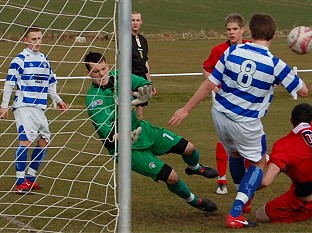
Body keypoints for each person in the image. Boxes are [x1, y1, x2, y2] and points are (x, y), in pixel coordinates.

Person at [169, 13, 308, 228]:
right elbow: (303, 91)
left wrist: (186, 109)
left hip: (220, 113)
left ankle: (244, 201)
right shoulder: (275, 64)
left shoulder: (232, 51)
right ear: (273, 34)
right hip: (245, 122)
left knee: (234, 153)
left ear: (249, 32)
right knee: (259, 164)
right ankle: (236, 212)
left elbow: (209, 84)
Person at [84, 51, 218, 213]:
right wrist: (124, 137)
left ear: (108, 65)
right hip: (126, 147)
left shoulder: (119, 76)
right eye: (96, 72)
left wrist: (145, 91)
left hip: (143, 130)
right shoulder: (94, 99)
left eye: (104, 69)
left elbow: (143, 84)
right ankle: (196, 201)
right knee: (172, 176)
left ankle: (195, 168)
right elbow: (108, 131)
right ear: (88, 73)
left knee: (189, 148)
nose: (102, 74)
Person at [255, 84, 312, 223]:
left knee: (261, 215)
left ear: (291, 121)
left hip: (307, 194)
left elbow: (266, 181)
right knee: (287, 164)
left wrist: (246, 190)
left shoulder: (283, 144)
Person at [0, 26, 68, 194]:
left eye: (39, 39)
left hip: (39, 108)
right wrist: (4, 105)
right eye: (34, 39)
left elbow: (50, 84)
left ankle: (30, 179)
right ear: (26, 40)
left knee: (44, 142)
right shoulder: (19, 59)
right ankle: (20, 182)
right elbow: (9, 83)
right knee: (26, 142)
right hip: (24, 107)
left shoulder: (44, 59)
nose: (37, 42)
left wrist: (58, 100)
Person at [202, 13, 251, 195]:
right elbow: (206, 69)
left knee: (244, 138)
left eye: (235, 29)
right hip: (223, 99)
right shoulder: (218, 50)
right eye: (228, 30)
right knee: (224, 138)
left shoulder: (250, 48)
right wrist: (215, 87)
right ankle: (222, 179)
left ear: (242, 29)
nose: (231, 32)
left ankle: (246, 173)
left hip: (245, 100)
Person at [131, 11, 156, 120]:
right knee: (129, 105)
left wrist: (149, 82)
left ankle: (139, 131)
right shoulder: (124, 38)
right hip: (130, 76)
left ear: (141, 22)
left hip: (142, 77)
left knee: (141, 105)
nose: (135, 23)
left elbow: (145, 61)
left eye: (137, 20)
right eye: (132, 20)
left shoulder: (143, 40)